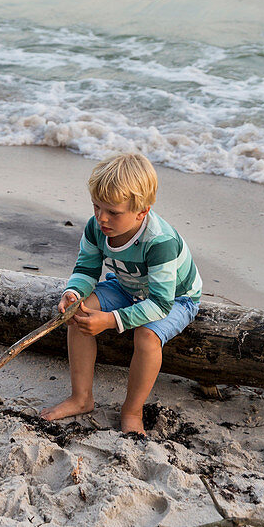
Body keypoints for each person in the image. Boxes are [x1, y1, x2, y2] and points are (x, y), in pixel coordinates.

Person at [41, 152, 201, 434]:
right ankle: (81, 398)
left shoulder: (159, 241)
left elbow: (161, 305)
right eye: (96, 207)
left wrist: (110, 320)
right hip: (127, 285)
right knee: (78, 313)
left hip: (175, 298)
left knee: (147, 335)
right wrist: (74, 292)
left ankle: (132, 410)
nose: (102, 218)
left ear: (142, 212)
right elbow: (87, 267)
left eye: (113, 212)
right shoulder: (97, 227)